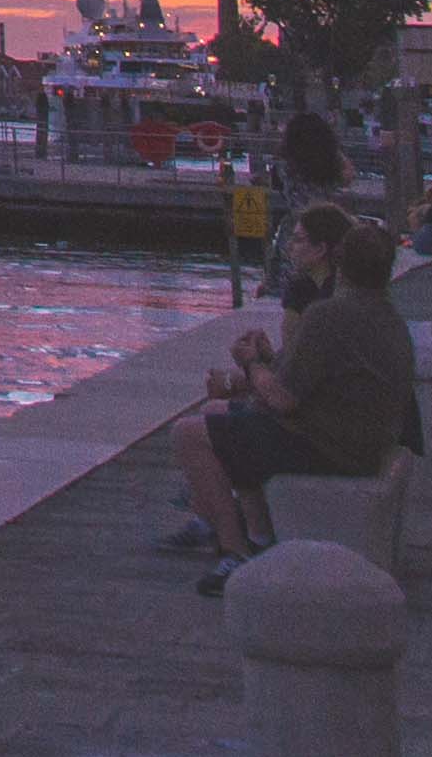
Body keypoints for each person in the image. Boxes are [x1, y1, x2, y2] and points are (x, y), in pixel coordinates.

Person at [169, 218, 418, 595]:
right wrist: (267, 361)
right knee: (220, 415)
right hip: (358, 440)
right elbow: (314, 379)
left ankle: (235, 553)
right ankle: (259, 535)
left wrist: (251, 365)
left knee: (188, 434)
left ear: (340, 263)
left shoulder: (330, 315)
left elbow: (282, 399)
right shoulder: (391, 319)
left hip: (330, 448)